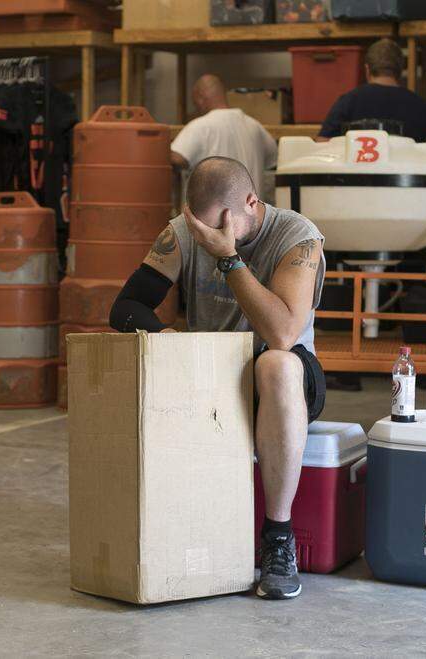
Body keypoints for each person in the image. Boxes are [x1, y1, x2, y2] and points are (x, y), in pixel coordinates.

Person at [109, 157, 326, 600]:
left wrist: (228, 258)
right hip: (209, 377)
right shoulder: (186, 231)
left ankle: (278, 537)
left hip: (283, 382)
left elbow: (282, 333)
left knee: (276, 365)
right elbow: (126, 307)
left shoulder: (297, 235)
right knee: (157, 349)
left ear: (251, 202)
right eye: (202, 232)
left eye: (220, 231)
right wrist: (176, 343)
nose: (208, 240)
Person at [171, 74, 279, 198]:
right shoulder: (255, 127)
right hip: (252, 213)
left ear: (200, 99)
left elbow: (177, 158)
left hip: (214, 215)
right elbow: (273, 159)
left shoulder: (201, 126)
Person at [318, 38, 426, 142]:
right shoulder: (423, 108)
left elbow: (322, 145)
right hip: (407, 171)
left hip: (358, 171)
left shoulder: (347, 102)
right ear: (400, 70)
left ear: (367, 69)